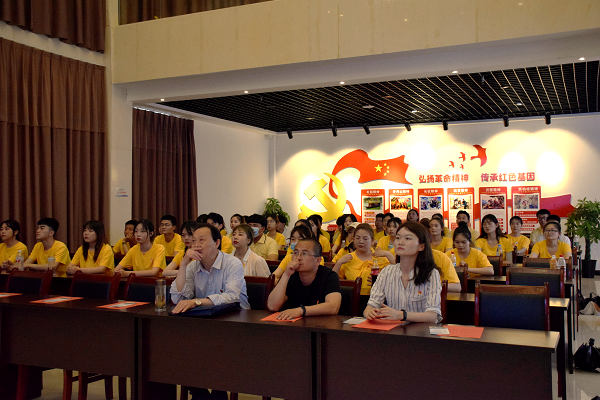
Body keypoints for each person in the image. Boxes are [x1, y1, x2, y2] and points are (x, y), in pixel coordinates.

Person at [171, 223, 249, 400]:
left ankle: (217, 393)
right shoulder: (192, 266)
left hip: (235, 323)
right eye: (193, 241)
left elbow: (232, 297)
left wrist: (197, 301)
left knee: (214, 349)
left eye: (202, 240)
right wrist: (183, 264)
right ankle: (201, 394)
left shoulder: (232, 263)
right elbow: (178, 298)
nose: (196, 245)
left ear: (217, 243)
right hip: (205, 323)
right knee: (178, 347)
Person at [364, 222, 442, 323]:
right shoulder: (386, 272)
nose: (400, 242)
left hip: (421, 330)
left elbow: (432, 316)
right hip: (393, 329)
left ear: (421, 246)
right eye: (398, 238)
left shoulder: (431, 274)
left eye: (407, 238)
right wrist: (370, 312)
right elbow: (370, 306)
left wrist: (401, 315)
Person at [267, 238, 341, 320]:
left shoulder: (329, 276)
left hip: (321, 324)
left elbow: (333, 307)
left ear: (317, 260)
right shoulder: (291, 275)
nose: (298, 257)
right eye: (296, 253)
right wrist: (286, 275)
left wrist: (301, 310)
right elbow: (272, 306)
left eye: (304, 254)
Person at [333, 224, 393, 310]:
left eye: (365, 239)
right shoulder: (347, 258)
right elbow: (333, 281)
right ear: (353, 239)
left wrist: (389, 255)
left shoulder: (380, 258)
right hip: (350, 301)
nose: (361, 241)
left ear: (372, 241)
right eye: (357, 238)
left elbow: (396, 277)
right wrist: (339, 263)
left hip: (376, 301)